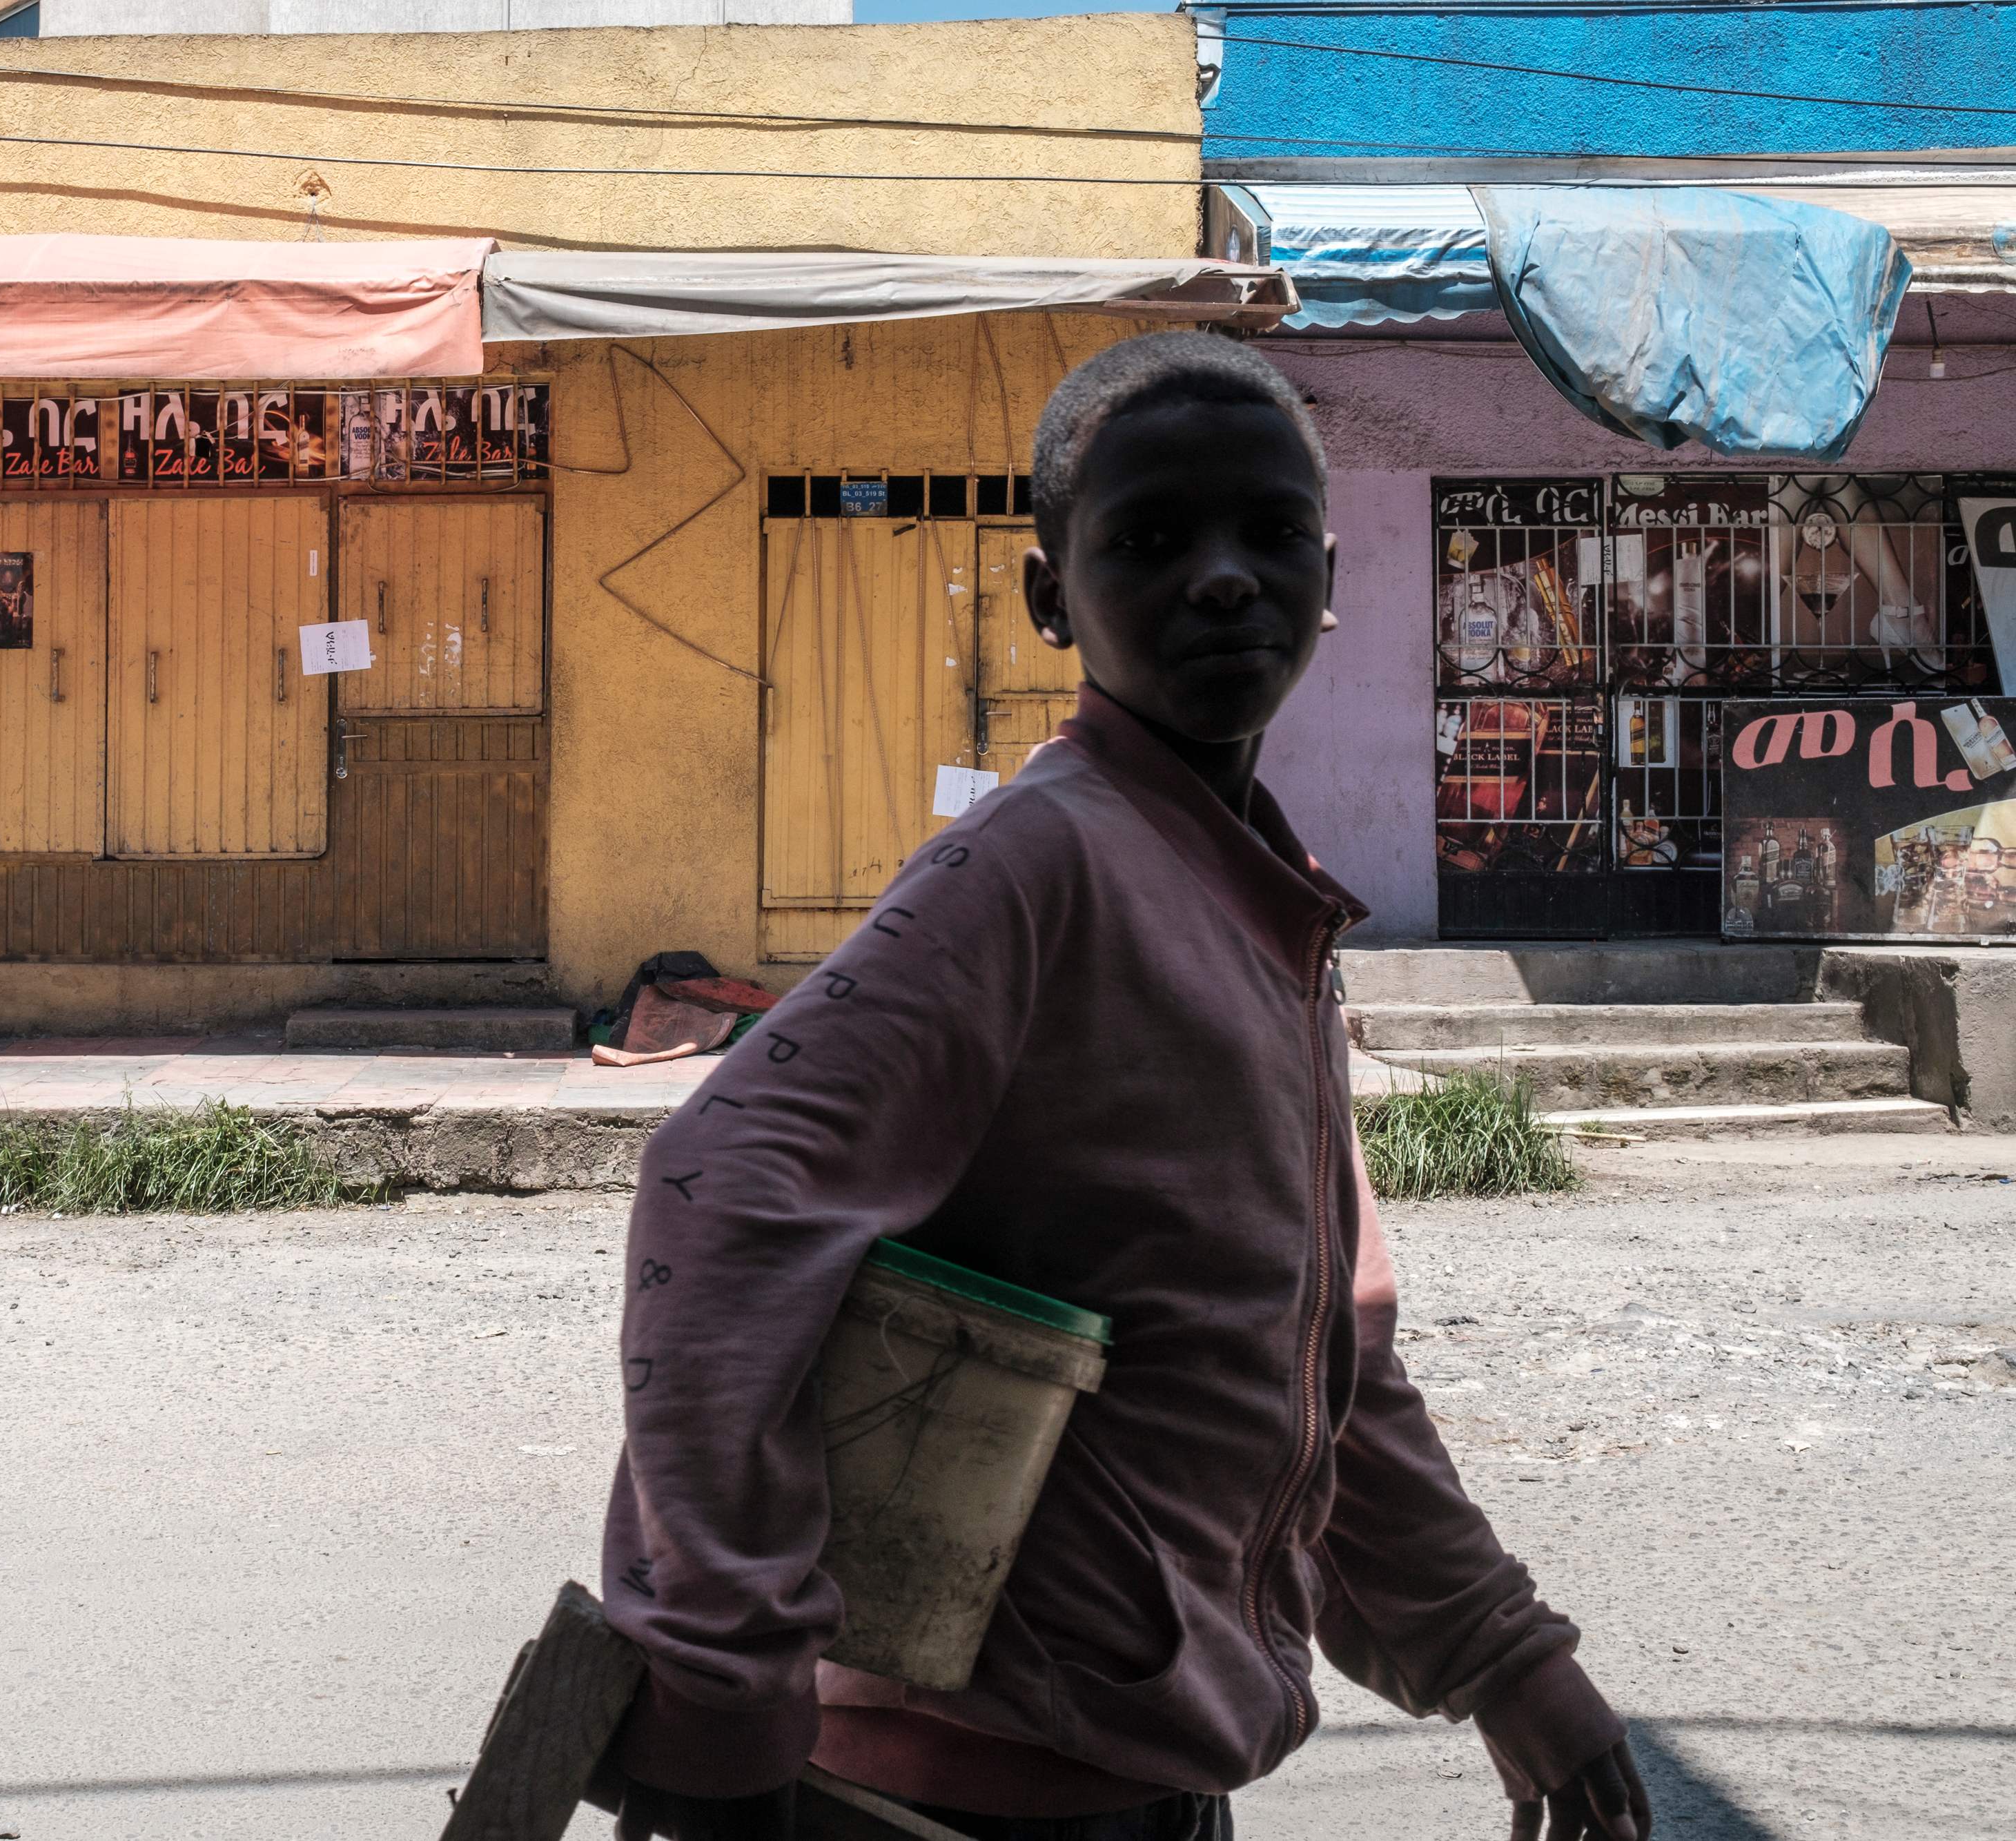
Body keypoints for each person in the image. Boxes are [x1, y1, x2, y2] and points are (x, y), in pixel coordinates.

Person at [600, 334, 1647, 1841]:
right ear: (1047, 597)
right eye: (1148, 540)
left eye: (1265, 533)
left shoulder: (1252, 903)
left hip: (1141, 1782)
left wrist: (1501, 1657)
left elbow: (1313, 1361)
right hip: (950, 1794)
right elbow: (719, 1196)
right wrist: (720, 1702)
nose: (1220, 578)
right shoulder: (1039, 862)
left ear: (1328, 573)